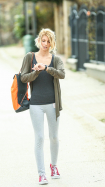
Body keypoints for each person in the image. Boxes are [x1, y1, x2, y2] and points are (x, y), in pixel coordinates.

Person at [21, 28, 65, 185]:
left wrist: (46, 68)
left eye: (48, 41)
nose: (45, 44)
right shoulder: (30, 57)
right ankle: (41, 174)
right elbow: (23, 78)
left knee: (54, 137)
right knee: (39, 137)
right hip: (36, 105)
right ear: (38, 41)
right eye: (43, 40)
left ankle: (54, 166)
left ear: (52, 43)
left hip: (53, 103)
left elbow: (62, 74)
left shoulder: (55, 59)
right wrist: (36, 72)